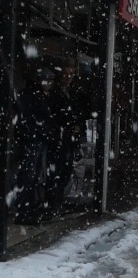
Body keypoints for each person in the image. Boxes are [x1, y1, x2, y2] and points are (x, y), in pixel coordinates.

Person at [13, 67, 58, 224]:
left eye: (50, 81)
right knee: (29, 176)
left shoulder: (41, 96)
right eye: (46, 80)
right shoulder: (31, 96)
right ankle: (24, 211)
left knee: (32, 176)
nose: (48, 84)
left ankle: (27, 209)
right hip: (33, 140)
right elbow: (27, 119)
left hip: (38, 139)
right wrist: (36, 133)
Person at [47, 63, 87, 214]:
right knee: (56, 172)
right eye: (66, 73)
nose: (68, 77)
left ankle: (59, 203)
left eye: (71, 74)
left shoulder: (74, 92)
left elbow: (80, 112)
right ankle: (54, 204)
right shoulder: (56, 92)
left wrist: (79, 126)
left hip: (70, 138)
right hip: (58, 137)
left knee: (65, 171)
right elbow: (56, 114)